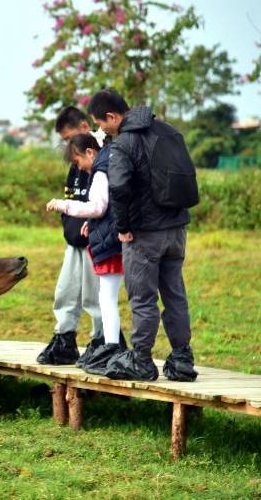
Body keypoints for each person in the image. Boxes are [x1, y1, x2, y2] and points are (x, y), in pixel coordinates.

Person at [87, 89, 198, 382]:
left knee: (143, 298)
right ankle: (182, 359)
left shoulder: (124, 143)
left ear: (112, 117)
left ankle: (141, 359)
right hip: (176, 229)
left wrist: (122, 228)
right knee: (175, 294)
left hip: (145, 233)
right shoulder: (168, 131)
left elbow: (120, 188)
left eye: (101, 124)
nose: (101, 130)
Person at [46, 133, 127, 374]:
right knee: (105, 297)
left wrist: (63, 205)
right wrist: (92, 224)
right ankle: (108, 348)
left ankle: (109, 347)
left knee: (105, 298)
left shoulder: (102, 170)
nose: (78, 167)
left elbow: (99, 207)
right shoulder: (105, 165)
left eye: (78, 161)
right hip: (104, 240)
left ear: (90, 152)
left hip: (111, 245)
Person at [36, 107, 104, 366]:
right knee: (65, 289)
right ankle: (64, 337)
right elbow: (71, 195)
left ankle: (103, 340)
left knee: (94, 296)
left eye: (69, 138)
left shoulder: (102, 155)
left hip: (95, 239)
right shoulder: (76, 160)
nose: (68, 147)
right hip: (74, 238)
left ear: (85, 127)